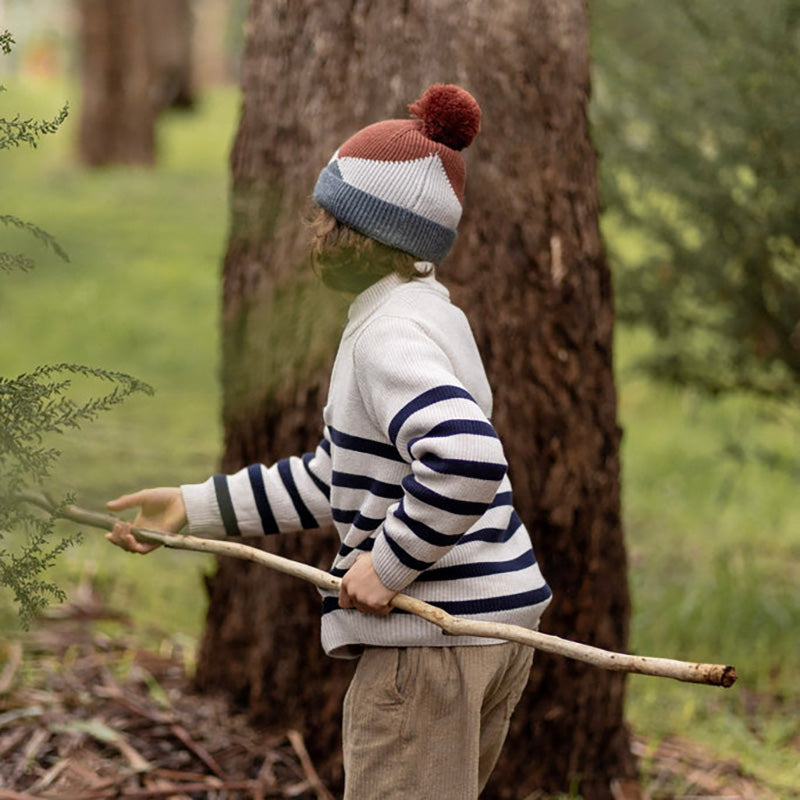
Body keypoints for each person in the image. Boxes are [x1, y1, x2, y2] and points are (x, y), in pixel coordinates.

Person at [107, 83, 552, 799]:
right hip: (490, 627)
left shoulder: (389, 337)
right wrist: (193, 509)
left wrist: (388, 563)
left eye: (326, 215)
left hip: (431, 642)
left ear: (366, 234)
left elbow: (466, 457)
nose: (312, 229)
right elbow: (337, 476)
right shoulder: (429, 316)